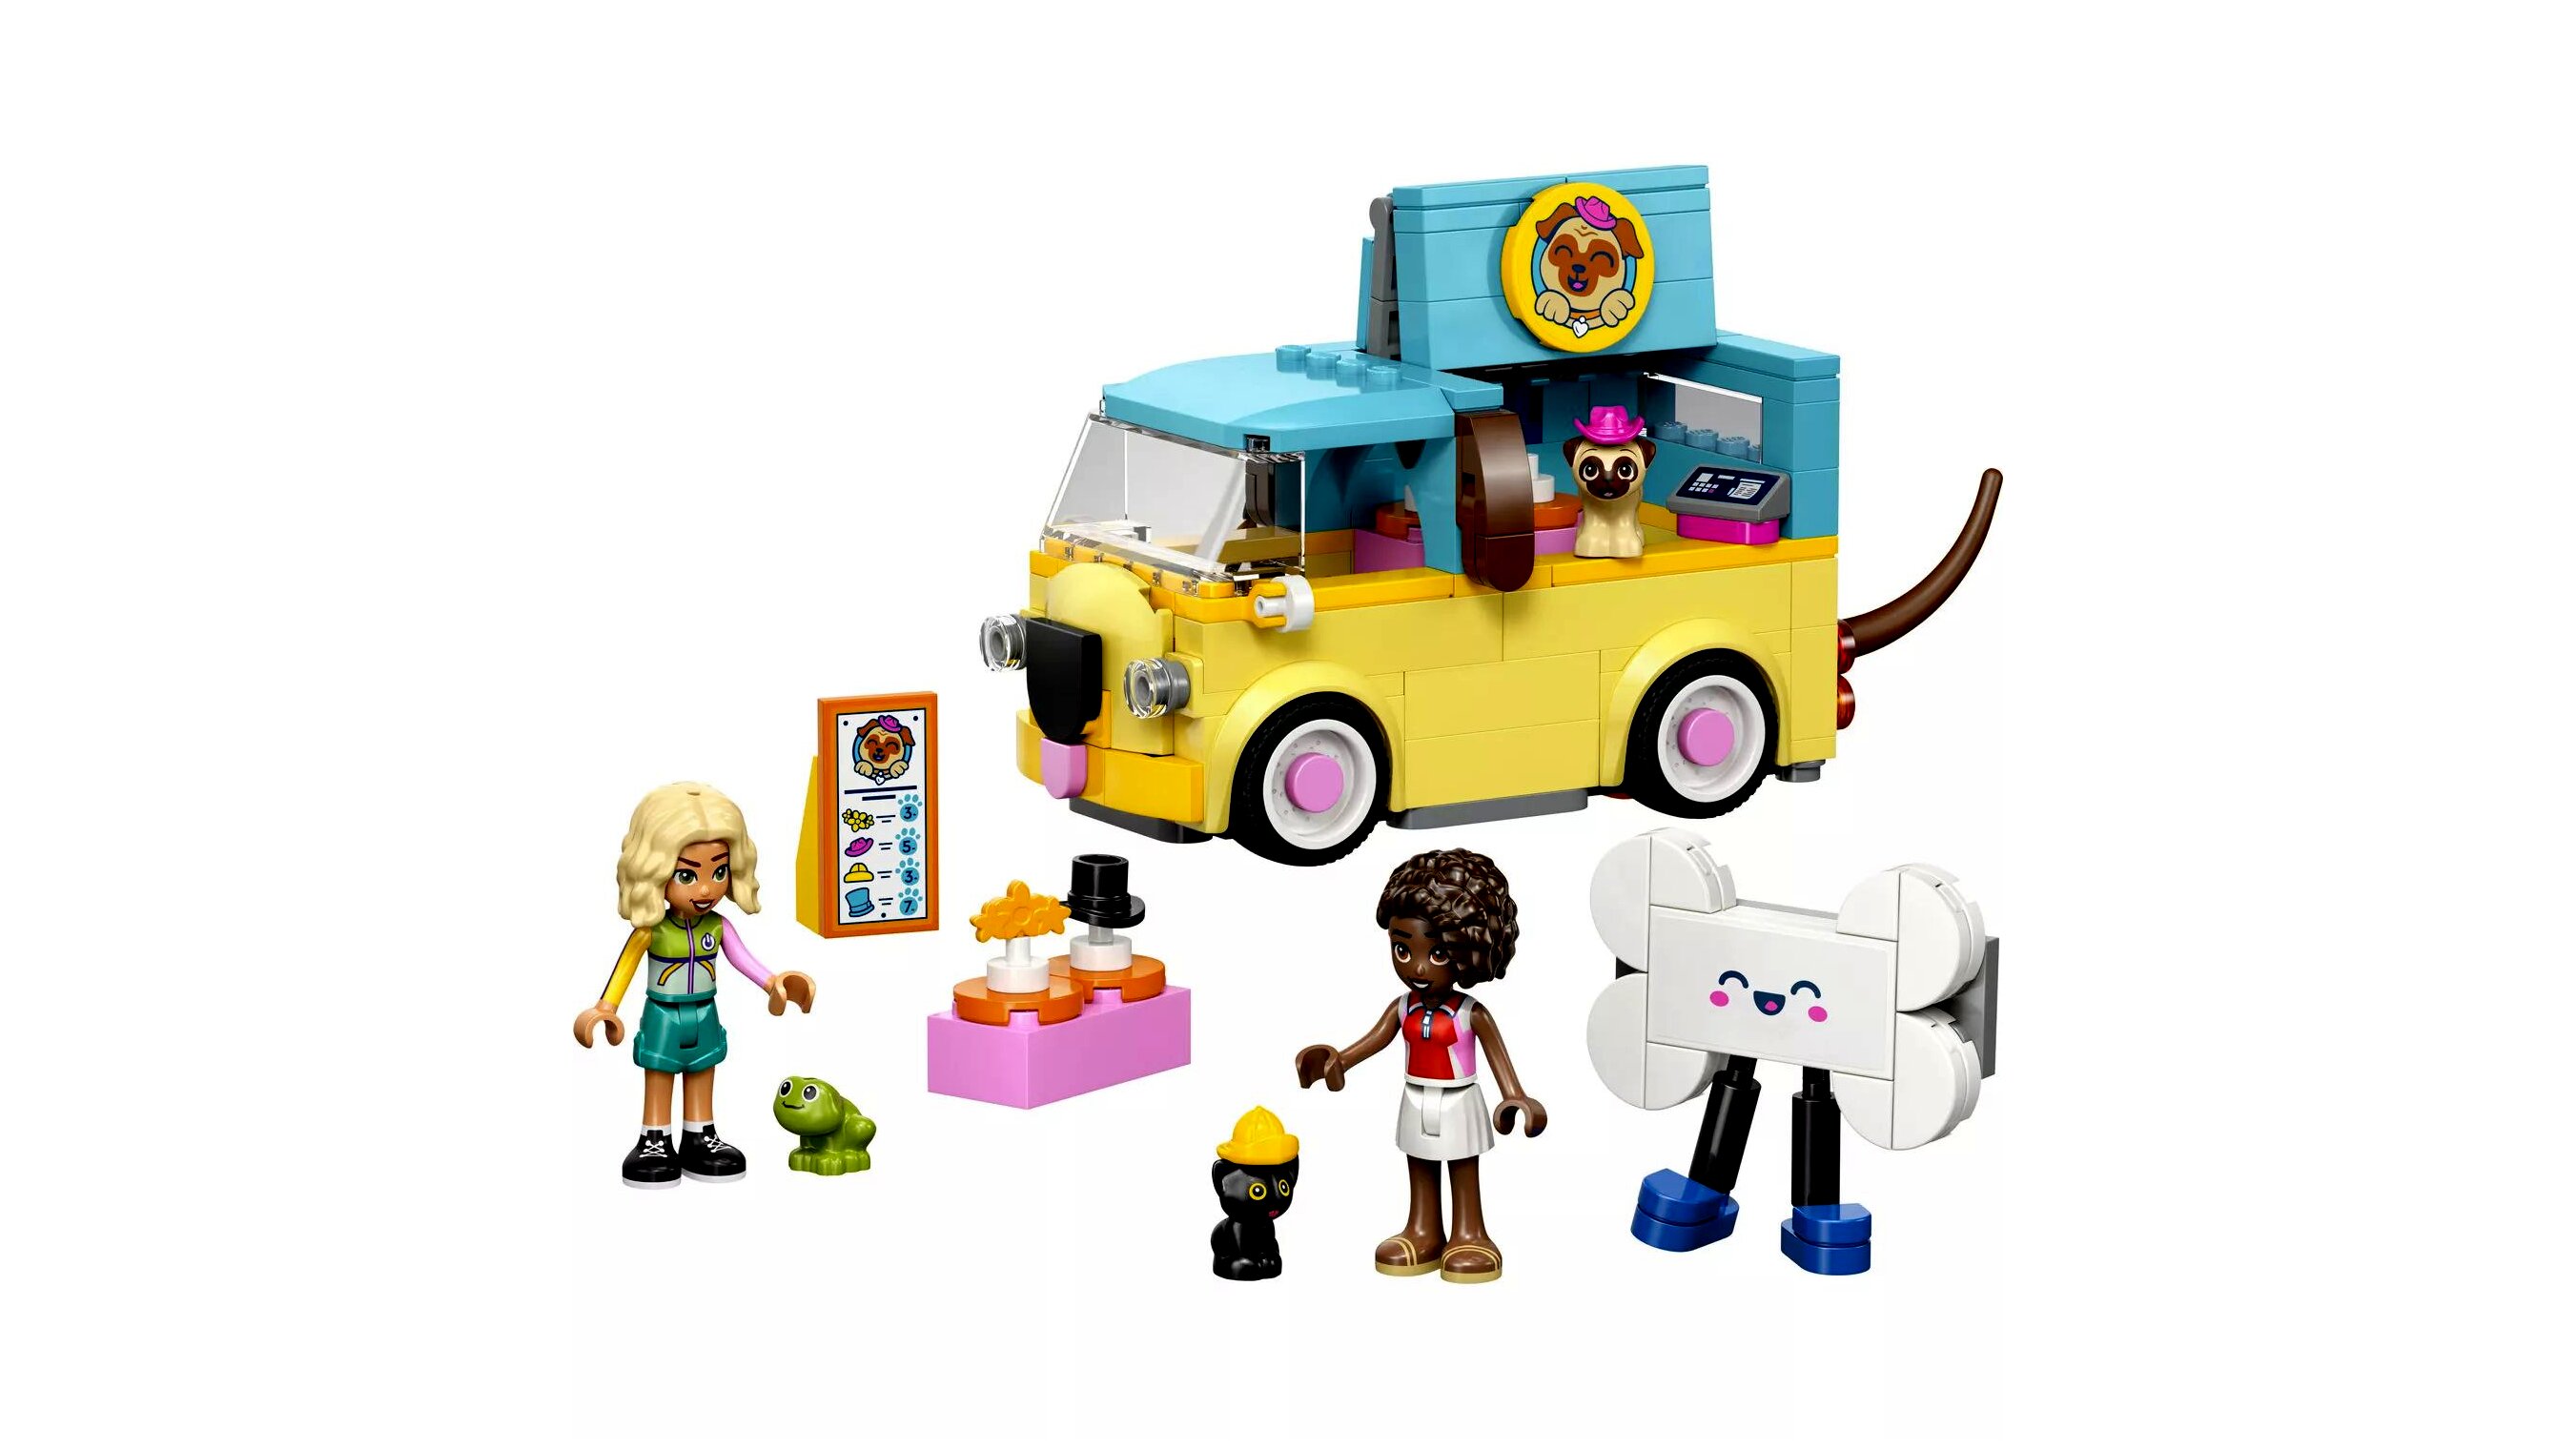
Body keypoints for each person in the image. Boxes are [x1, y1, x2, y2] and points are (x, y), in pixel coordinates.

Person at [1295, 848, 1545, 1283]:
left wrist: (1515, 1097)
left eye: (1438, 953)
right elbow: (1374, 1040)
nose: (1418, 967)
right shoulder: (1403, 1006)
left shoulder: (1470, 1013)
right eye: (1402, 949)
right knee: (1420, 1163)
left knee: (1462, 1164)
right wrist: (1338, 1061)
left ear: (1468, 951)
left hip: (1459, 1098)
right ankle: (1423, 1230)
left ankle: (1470, 1232)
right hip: (1414, 1095)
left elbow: (1498, 1057)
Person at [573, 782, 813, 1187]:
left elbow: (743, 959)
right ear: (653, 871)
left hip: (705, 1011)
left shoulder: (718, 926)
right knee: (659, 1071)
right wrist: (605, 1009)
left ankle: (700, 1135)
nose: (706, 889)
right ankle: (654, 1138)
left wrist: (775, 982)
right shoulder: (651, 930)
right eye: (687, 874)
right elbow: (625, 970)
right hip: (663, 1013)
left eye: (719, 872)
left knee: (703, 1068)